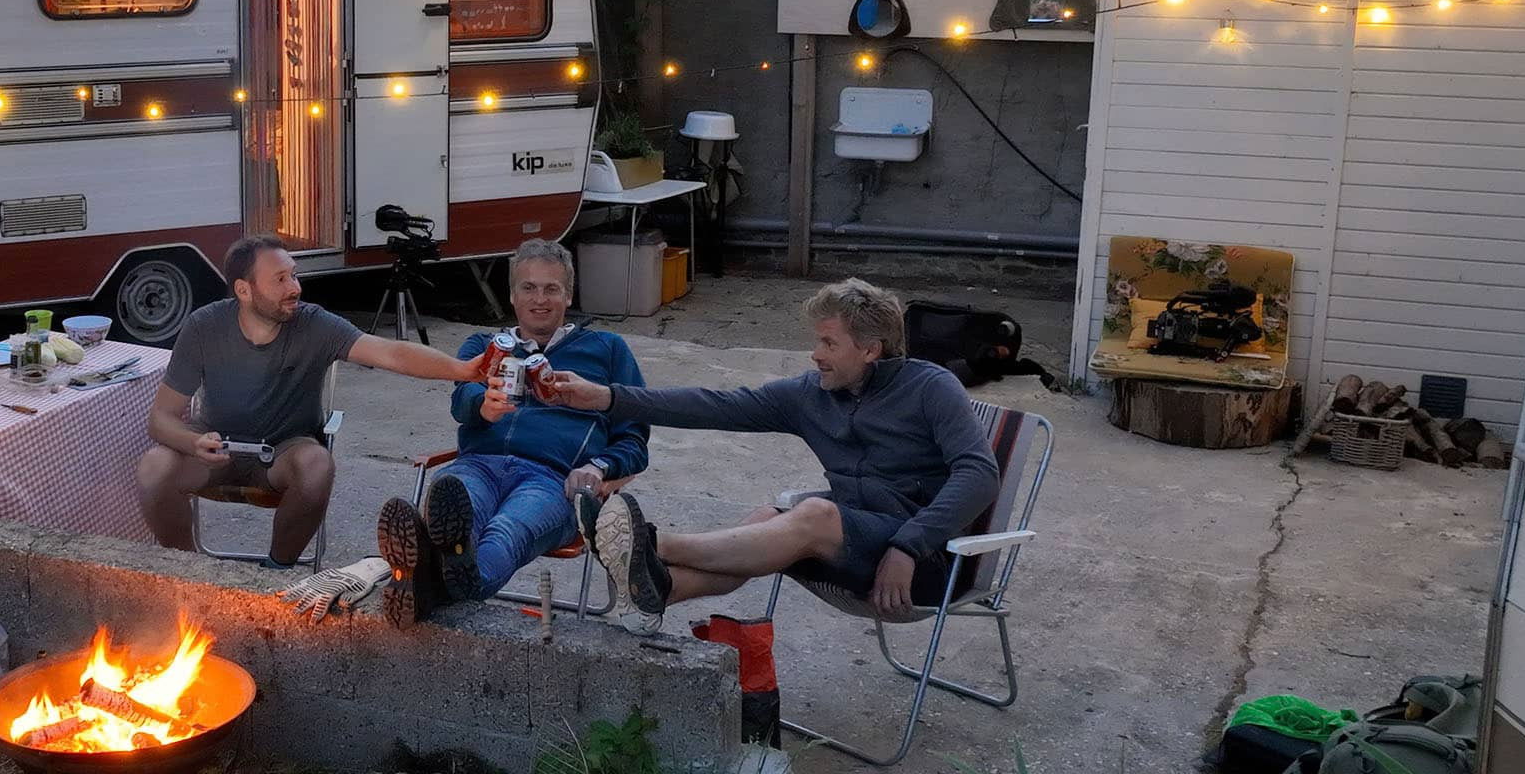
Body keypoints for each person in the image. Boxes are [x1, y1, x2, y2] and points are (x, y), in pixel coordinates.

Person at [531, 279, 998, 620]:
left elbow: (979, 475)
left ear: (871, 350)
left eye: (828, 342)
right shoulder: (812, 394)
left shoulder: (931, 387)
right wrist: (607, 396)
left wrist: (908, 546)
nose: (815, 354)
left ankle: (649, 544)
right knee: (764, 520)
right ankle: (659, 585)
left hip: (923, 563)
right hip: (852, 540)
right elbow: (714, 406)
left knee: (814, 514)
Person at [139, 234, 486, 567]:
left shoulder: (314, 324)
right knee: (154, 468)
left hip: (282, 453)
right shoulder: (205, 327)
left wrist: (462, 370)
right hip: (215, 449)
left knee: (317, 465)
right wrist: (192, 441)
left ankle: (278, 570)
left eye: (294, 275)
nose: (295, 287)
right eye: (280, 279)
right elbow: (161, 419)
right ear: (244, 290)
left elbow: (391, 352)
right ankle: (186, 569)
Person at [373, 239, 649, 617]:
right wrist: (482, 407)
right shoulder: (485, 345)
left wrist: (598, 468)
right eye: (529, 287)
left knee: (507, 530)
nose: (540, 299)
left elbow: (635, 439)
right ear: (512, 295)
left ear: (568, 295)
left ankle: (429, 583)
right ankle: (442, 580)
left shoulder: (608, 349)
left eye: (552, 288)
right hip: (479, 464)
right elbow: (461, 400)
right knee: (460, 512)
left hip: (555, 478)